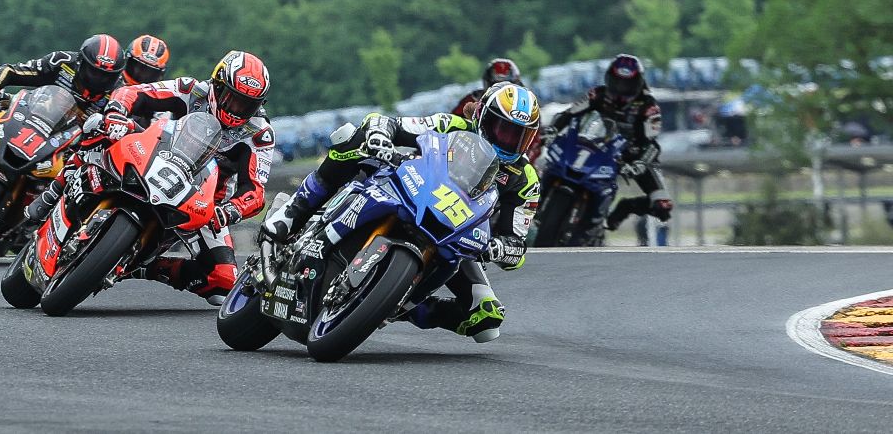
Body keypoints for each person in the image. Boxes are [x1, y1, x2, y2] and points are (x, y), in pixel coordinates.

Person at [262, 83, 542, 342]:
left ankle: (393, 305)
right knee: (352, 139)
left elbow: (516, 244)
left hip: (457, 235)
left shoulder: (525, 179)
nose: (508, 141)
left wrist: (497, 248)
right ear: (482, 117)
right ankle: (293, 211)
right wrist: (380, 136)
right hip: (411, 190)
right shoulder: (452, 125)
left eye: (519, 136)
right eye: (502, 129)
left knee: (487, 322)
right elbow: (388, 123)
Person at [30, 50, 276, 305]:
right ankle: (55, 190)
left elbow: (255, 192)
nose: (236, 110)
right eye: (231, 99)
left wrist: (229, 211)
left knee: (223, 281)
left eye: (247, 105)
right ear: (217, 85)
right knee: (97, 127)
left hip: (201, 200)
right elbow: (133, 93)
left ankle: (146, 267)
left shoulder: (259, 134)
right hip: (152, 157)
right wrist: (115, 113)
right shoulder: (191, 90)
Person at [0, 34, 130, 183]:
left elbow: (121, 131)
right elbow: (9, 70)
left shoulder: (120, 92)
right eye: (94, 72)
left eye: (106, 76)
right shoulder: (62, 62)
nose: (99, 79)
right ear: (80, 62)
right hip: (31, 114)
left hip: (68, 145)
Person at [547, 53, 673, 231]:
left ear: (638, 83)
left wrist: (640, 162)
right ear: (609, 78)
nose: (621, 89)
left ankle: (624, 208)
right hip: (596, 145)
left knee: (663, 206)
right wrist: (552, 129)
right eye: (617, 82)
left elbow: (652, 145)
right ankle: (538, 202)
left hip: (633, 155)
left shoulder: (649, 107)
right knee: (553, 163)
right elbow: (569, 113)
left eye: (627, 84)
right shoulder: (597, 94)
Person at [451, 58, 523, 117]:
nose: (500, 91)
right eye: (496, 85)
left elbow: (532, 128)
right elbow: (454, 121)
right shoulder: (473, 99)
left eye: (506, 87)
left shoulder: (523, 104)